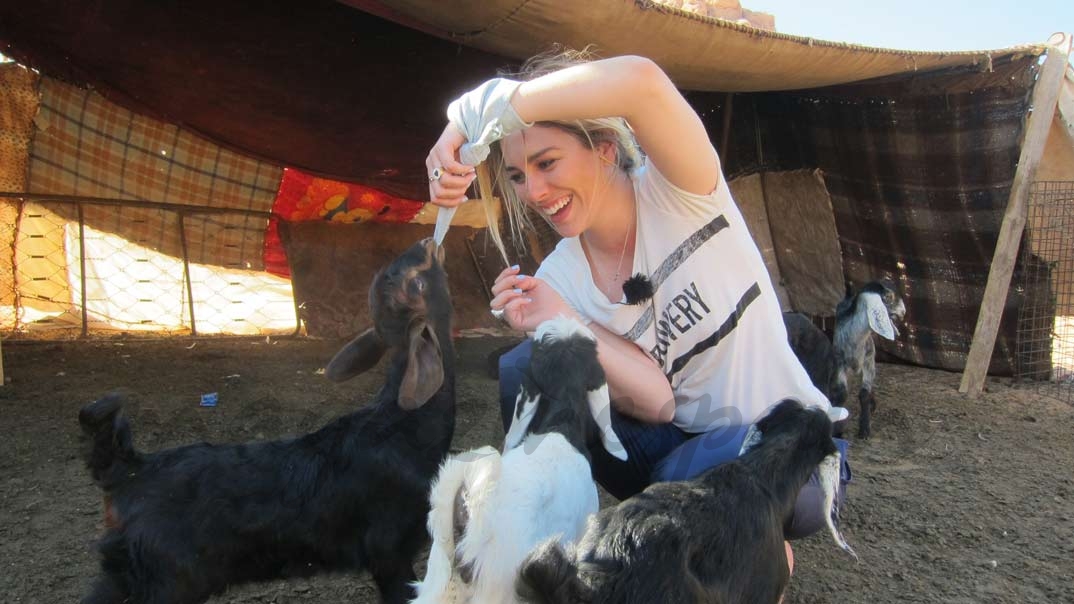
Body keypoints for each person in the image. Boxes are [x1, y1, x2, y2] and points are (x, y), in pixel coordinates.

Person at [425, 47, 850, 548]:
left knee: (745, 488)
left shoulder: (682, 188)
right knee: (529, 362)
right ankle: (547, 547)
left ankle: (751, 555)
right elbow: (658, 402)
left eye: (547, 163)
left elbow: (641, 80)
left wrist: (472, 112)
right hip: (674, 452)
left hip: (785, 446)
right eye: (518, 175)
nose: (534, 191)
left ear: (604, 148)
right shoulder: (561, 276)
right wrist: (559, 319)